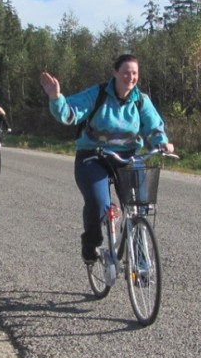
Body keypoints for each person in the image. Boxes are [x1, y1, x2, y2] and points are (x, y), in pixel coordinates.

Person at [38, 54, 175, 264]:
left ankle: (141, 261)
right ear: (115, 73)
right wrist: (56, 98)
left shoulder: (140, 100)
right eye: (126, 72)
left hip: (127, 156)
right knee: (98, 203)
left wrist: (162, 143)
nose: (131, 77)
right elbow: (70, 113)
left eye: (135, 73)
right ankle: (91, 244)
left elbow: (154, 126)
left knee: (138, 207)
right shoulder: (98, 94)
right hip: (93, 156)